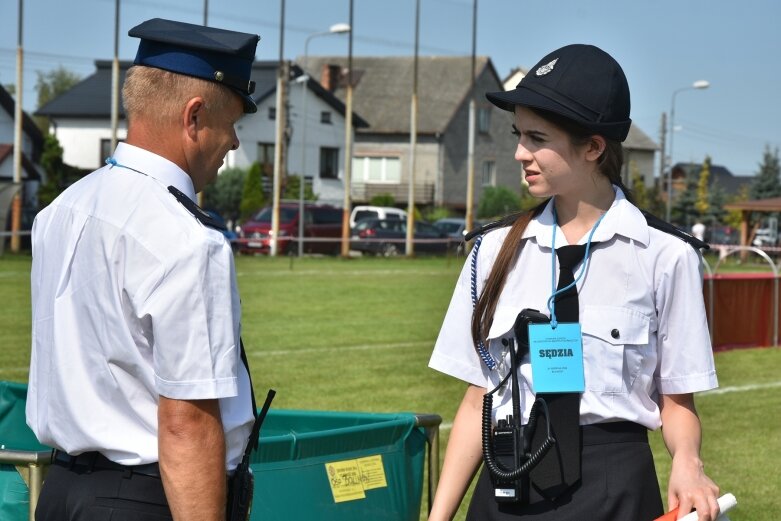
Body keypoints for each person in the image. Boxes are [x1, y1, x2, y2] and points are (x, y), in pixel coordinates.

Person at [428, 44, 720, 521]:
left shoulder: (666, 255)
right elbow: (478, 395)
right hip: (509, 477)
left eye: (537, 138)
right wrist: (438, 517)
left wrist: (687, 462)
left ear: (593, 147)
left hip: (613, 484)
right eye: (518, 134)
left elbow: (677, 398)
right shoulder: (493, 249)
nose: (520, 153)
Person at [27, 18, 260, 520]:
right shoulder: (187, 239)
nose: (235, 143)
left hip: (62, 491)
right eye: (232, 123)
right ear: (194, 116)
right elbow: (187, 425)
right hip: (146, 500)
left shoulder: (60, 211)